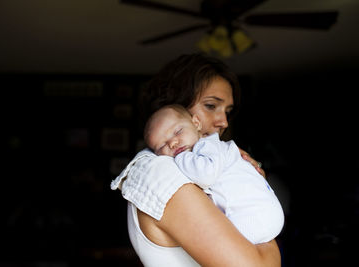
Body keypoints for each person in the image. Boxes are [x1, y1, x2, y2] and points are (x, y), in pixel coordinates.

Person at [111, 53, 281, 266]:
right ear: (174, 105)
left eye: (227, 111)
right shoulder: (161, 172)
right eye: (211, 105)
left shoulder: (194, 163)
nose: (224, 122)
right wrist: (256, 201)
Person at [143, 104, 284, 244]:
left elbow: (205, 176)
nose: (173, 143)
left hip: (255, 216)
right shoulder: (196, 155)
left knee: (204, 239)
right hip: (261, 216)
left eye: (178, 131)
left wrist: (181, 157)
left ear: (196, 123)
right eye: (162, 146)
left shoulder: (208, 145)